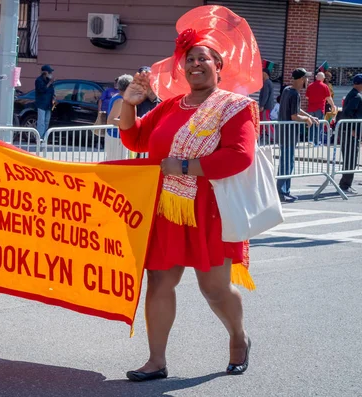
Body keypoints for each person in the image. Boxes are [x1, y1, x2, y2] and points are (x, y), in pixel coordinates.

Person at [119, 5, 262, 381]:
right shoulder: (169, 106)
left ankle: (238, 337)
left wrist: (184, 167)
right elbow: (135, 139)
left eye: (204, 58)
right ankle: (156, 360)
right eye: (189, 58)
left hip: (210, 207)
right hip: (165, 207)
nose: (195, 64)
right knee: (160, 281)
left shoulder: (235, 107)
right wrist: (129, 105)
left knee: (213, 287)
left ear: (219, 66)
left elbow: (240, 156)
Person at [277, 68, 319, 203]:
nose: (307, 80)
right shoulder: (294, 93)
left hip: (284, 132)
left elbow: (297, 109)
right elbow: (294, 116)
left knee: (286, 162)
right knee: (287, 164)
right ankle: (282, 192)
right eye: (306, 78)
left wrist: (309, 116)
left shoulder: (287, 90)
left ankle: (285, 191)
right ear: (301, 79)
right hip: (289, 133)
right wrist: (306, 120)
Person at [337, 74, 362, 194]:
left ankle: (346, 184)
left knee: (350, 159)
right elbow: (347, 113)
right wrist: (352, 129)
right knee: (350, 159)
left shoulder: (353, 94)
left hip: (348, 131)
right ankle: (345, 185)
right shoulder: (356, 96)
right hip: (349, 133)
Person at [103, 74, 132, 160]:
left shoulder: (117, 97)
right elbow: (111, 120)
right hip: (116, 137)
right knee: (116, 164)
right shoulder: (120, 100)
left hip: (116, 137)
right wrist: (130, 122)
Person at [306, 72, 335, 145]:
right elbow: (329, 98)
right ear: (323, 78)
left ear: (316, 77)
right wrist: (333, 106)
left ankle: (310, 140)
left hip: (310, 109)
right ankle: (317, 141)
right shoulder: (325, 86)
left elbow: (307, 97)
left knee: (311, 124)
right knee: (319, 125)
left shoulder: (310, 86)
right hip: (320, 108)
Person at [35, 64, 55, 139]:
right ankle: (39, 138)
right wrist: (49, 83)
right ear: (45, 73)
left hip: (48, 104)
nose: (51, 74)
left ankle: (44, 138)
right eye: (49, 72)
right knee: (41, 122)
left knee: (47, 121)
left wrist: (53, 97)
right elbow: (41, 90)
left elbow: (51, 91)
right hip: (41, 104)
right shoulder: (39, 80)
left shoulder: (49, 81)